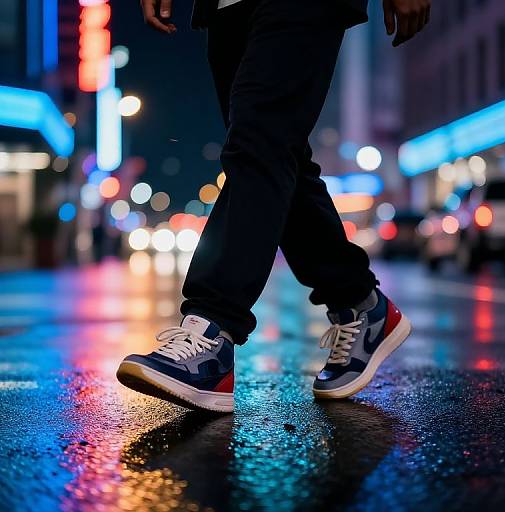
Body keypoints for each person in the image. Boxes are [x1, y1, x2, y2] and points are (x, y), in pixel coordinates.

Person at [117, 0, 431, 413]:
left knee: (258, 145)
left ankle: (214, 330)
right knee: (277, 154)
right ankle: (360, 304)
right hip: (228, 6)